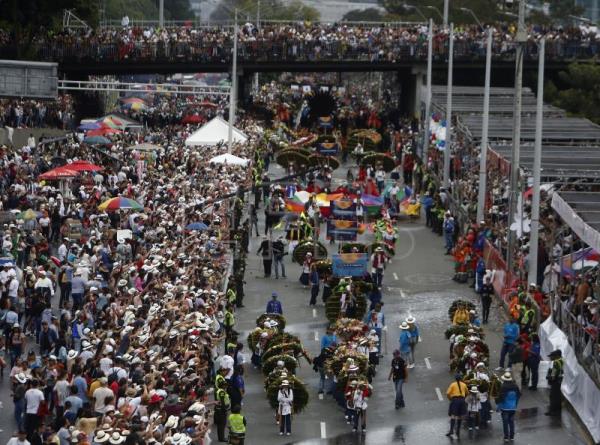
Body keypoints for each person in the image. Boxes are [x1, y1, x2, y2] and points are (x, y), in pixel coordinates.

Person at [495, 371, 521, 442]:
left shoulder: (503, 387)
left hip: (505, 408)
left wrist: (498, 408)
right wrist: (515, 404)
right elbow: (518, 396)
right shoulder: (515, 386)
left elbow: (500, 399)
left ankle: (506, 437)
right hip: (513, 408)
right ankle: (512, 436)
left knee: (505, 423)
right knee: (511, 422)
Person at [445, 373, 468, 439]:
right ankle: (458, 430)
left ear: (455, 378)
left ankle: (451, 430)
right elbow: (467, 393)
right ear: (461, 378)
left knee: (453, 415)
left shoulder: (452, 384)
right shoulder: (464, 384)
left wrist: (450, 399)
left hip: (455, 400)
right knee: (460, 416)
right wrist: (463, 399)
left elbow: (448, 393)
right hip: (462, 400)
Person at [545, 349, 564, 416]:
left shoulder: (556, 362)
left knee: (552, 396)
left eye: (552, 356)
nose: (550, 358)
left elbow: (554, 373)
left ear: (556, 356)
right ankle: (558, 409)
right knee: (558, 396)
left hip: (556, 381)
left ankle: (552, 411)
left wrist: (550, 378)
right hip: (561, 380)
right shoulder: (562, 360)